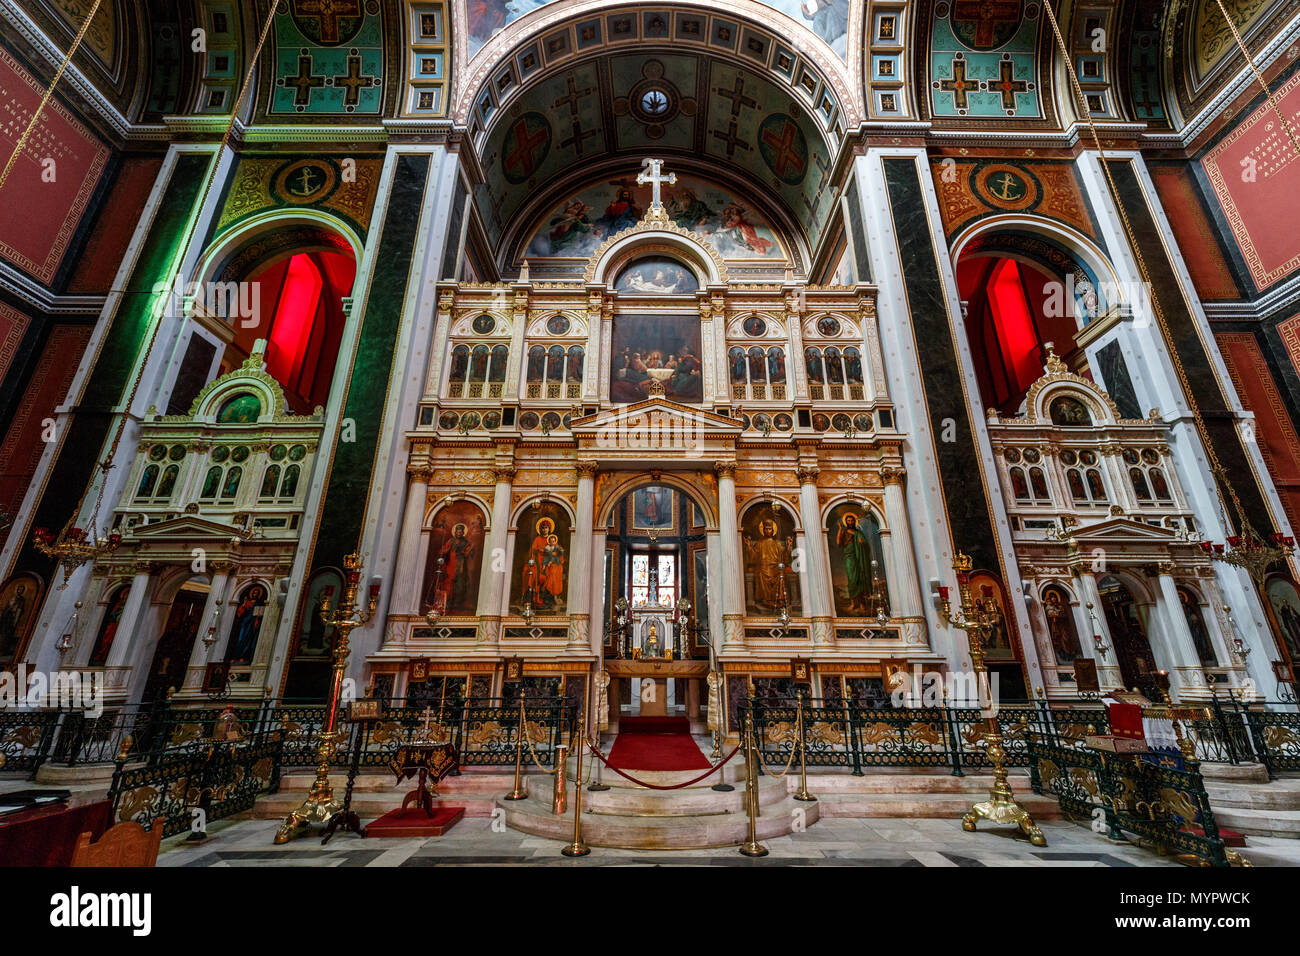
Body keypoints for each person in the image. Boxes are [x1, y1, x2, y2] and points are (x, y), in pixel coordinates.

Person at [746, 518, 793, 611]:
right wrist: (748, 546)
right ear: (763, 530)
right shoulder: (759, 543)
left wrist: (788, 546)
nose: (768, 531)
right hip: (763, 567)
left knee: (781, 574)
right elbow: (754, 556)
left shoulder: (777, 543)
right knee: (761, 574)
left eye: (770, 529)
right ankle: (766, 600)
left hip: (775, 567)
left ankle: (779, 600)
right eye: (766, 529)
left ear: (773, 530)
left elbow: (784, 556)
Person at [836, 512, 874, 614]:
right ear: (846, 522)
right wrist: (840, 529)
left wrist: (862, 543)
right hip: (849, 556)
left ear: (854, 521)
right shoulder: (844, 532)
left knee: (861, 579)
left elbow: (866, 545)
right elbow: (839, 543)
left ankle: (862, 603)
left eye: (852, 520)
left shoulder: (859, 533)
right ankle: (853, 603)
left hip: (860, 557)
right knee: (852, 580)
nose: (850, 522)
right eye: (848, 521)